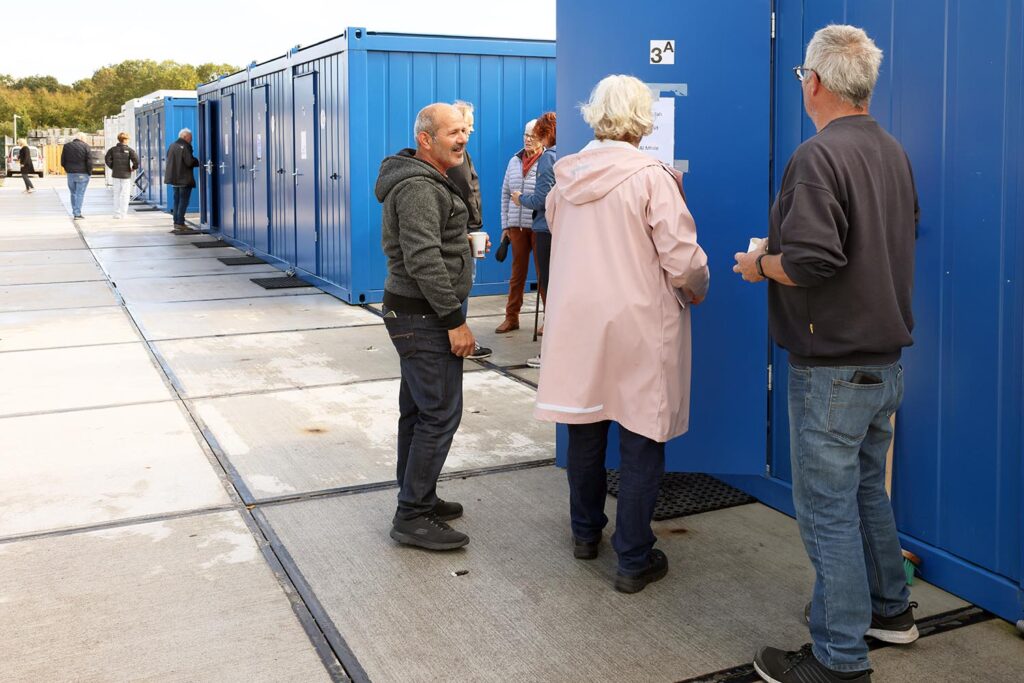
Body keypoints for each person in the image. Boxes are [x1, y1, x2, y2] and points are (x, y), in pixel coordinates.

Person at [732, 25, 919, 683]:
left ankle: (840, 658)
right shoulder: (891, 151)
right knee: (868, 493)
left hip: (833, 369)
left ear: (813, 82)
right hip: (882, 364)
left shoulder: (817, 156)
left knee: (828, 512)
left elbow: (812, 259)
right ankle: (891, 611)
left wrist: (759, 263)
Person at [534, 75, 709, 593]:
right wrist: (699, 285)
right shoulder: (652, 178)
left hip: (579, 325)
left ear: (594, 115)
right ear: (642, 119)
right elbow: (682, 260)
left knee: (585, 429)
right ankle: (633, 558)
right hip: (638, 324)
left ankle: (586, 534)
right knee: (641, 436)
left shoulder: (564, 180)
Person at [374, 102, 487, 551]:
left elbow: (435, 243)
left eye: (464, 131)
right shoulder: (420, 188)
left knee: (420, 411)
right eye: (453, 132)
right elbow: (422, 258)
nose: (462, 139)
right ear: (426, 139)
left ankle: (417, 493)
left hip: (419, 313)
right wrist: (454, 321)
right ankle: (412, 515)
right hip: (423, 316)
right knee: (440, 413)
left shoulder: (433, 178)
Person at [446, 100, 492, 361]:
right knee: (462, 284)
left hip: (466, 228)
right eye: (467, 126)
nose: (470, 132)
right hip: (464, 231)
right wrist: (474, 226)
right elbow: (465, 191)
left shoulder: (460, 156)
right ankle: (459, 340)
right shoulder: (458, 158)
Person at [512, 111, 556, 367]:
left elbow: (541, 199)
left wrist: (521, 199)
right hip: (560, 229)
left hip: (544, 230)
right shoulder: (568, 153)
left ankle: (549, 353)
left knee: (548, 289)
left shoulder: (548, 159)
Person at [495, 119, 542, 333]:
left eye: (532, 135)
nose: (528, 139)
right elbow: (505, 193)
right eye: (526, 134)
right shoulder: (514, 161)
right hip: (516, 227)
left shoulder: (548, 160)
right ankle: (511, 317)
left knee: (544, 274)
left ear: (542, 138)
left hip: (539, 226)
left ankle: (549, 319)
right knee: (517, 274)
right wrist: (506, 225)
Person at [164, 128, 199, 231]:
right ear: (184, 137)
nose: (191, 140)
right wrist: (197, 161)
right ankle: (180, 223)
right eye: (190, 138)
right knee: (183, 202)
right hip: (184, 179)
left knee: (177, 201)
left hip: (174, 179)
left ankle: (176, 222)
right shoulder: (185, 146)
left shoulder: (172, 145)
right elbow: (189, 162)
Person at [105, 132, 140, 219]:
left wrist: (113, 167)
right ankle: (124, 214)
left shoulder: (112, 150)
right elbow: (136, 160)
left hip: (116, 174)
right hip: (126, 175)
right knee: (125, 195)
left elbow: (107, 159)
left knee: (116, 194)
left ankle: (116, 214)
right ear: (125, 140)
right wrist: (133, 168)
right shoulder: (130, 150)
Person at [60, 133, 92, 219]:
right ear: (82, 138)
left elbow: (62, 161)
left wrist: (67, 169)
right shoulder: (86, 146)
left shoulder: (66, 146)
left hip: (70, 173)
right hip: (82, 173)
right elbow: (89, 161)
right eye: (85, 138)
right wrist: (89, 172)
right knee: (80, 194)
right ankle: (77, 213)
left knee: (73, 193)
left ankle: (75, 212)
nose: (86, 140)